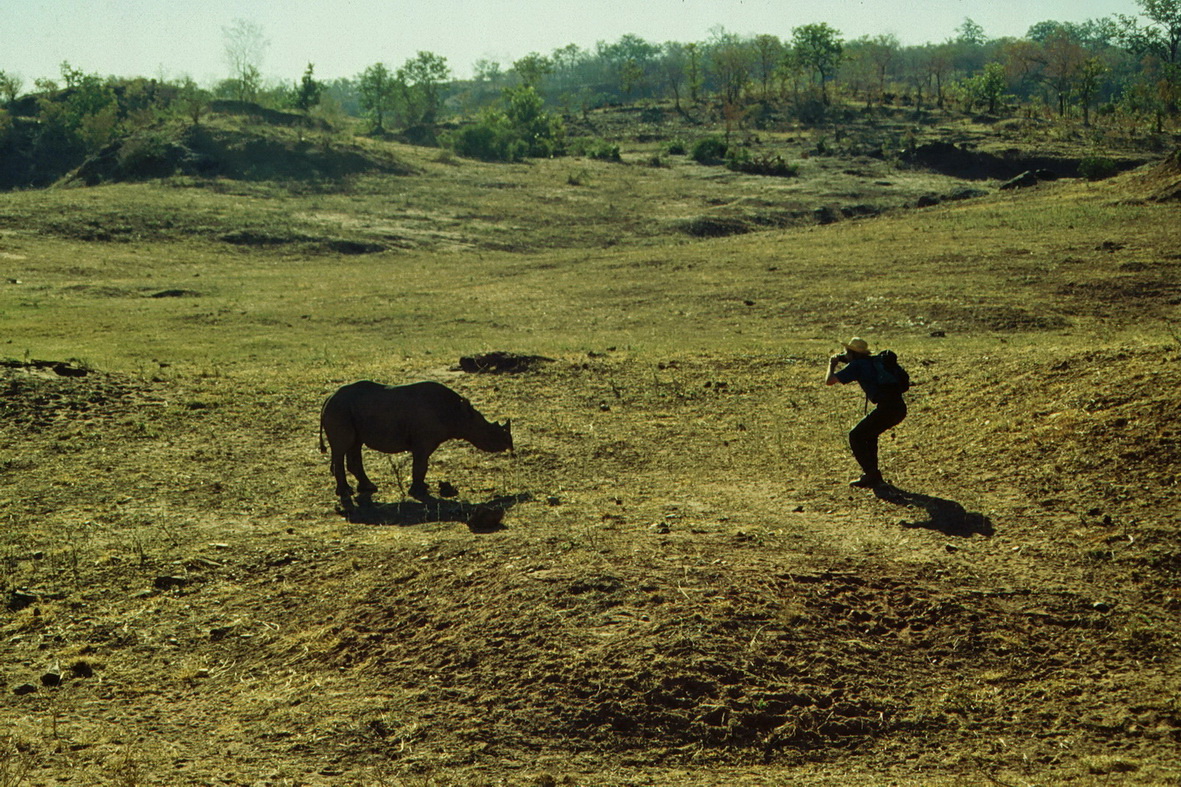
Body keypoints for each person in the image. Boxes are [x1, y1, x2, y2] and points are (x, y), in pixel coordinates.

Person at [824, 337, 907, 488]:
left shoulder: (857, 365)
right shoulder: (873, 362)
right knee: (869, 435)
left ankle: (871, 475)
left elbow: (829, 381)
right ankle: (873, 474)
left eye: (846, 352)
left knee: (855, 436)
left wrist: (832, 364)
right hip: (898, 407)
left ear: (852, 353)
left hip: (887, 408)